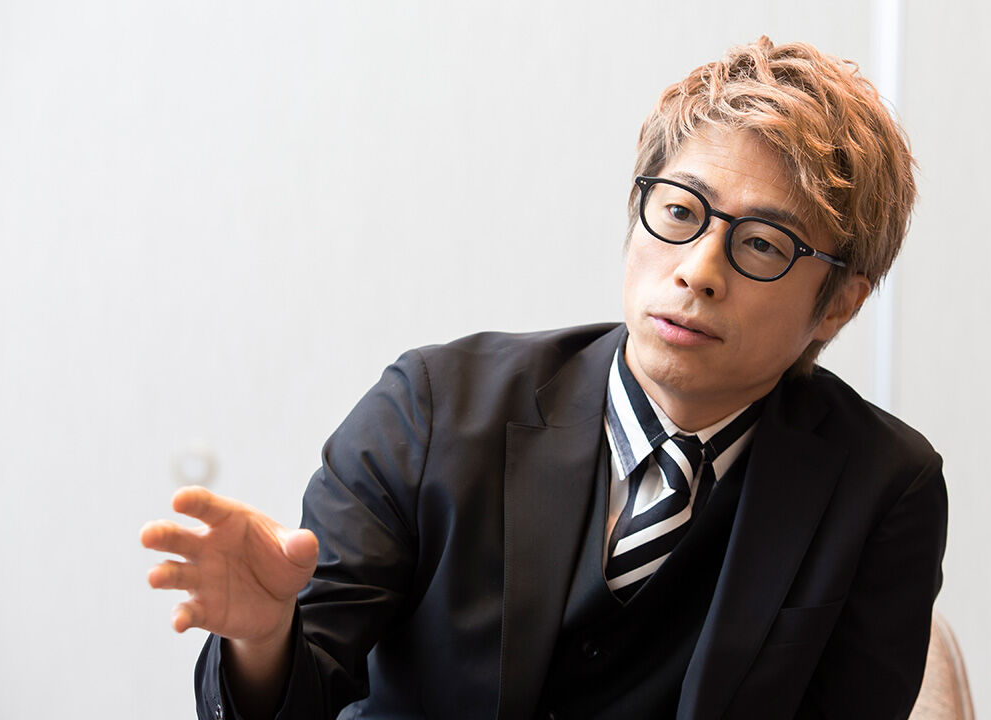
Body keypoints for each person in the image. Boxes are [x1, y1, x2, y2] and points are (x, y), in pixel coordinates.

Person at [141, 36, 947, 720]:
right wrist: (264, 636)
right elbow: (304, 690)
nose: (699, 271)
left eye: (762, 244)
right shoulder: (433, 409)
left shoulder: (881, 488)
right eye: (679, 212)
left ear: (839, 303)